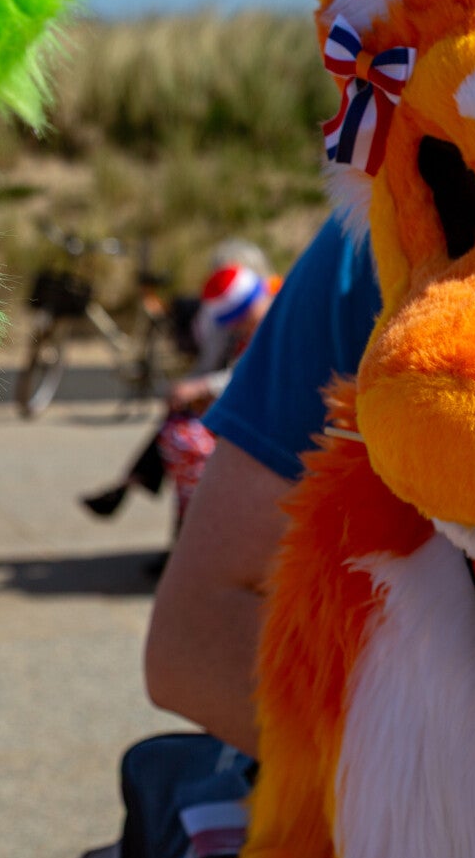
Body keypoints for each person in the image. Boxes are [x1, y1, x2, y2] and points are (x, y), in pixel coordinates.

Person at [144, 216, 380, 756]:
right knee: (176, 437)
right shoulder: (356, 246)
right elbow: (192, 647)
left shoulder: (320, 276)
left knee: (184, 442)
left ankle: (156, 500)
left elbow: (191, 649)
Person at [82, 239, 280, 531]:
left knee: (182, 437)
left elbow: (251, 376)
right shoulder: (245, 320)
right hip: (238, 414)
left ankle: (188, 520)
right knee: (177, 428)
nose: (237, 326)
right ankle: (183, 520)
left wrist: (201, 388)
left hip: (255, 423)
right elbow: (222, 366)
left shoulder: (274, 321)